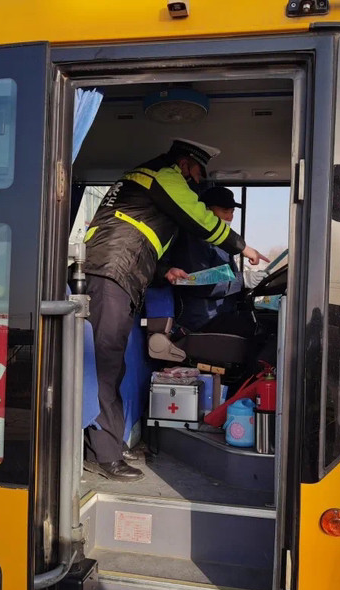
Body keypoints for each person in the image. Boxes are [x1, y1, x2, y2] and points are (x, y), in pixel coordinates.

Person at [82, 139, 267, 482]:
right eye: (198, 173)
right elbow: (198, 217)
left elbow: (141, 239)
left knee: (112, 366)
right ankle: (102, 455)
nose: (198, 182)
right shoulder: (164, 176)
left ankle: (108, 444)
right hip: (110, 273)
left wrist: (162, 271)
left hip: (118, 272)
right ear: (184, 164)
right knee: (105, 366)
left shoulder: (150, 184)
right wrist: (242, 246)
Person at [168, 186, 267, 336]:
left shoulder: (220, 243)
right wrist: (242, 280)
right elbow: (197, 281)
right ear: (206, 211)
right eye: (225, 211)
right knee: (262, 331)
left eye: (232, 212)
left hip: (220, 312)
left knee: (266, 319)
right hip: (200, 319)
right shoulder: (193, 240)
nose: (230, 217)